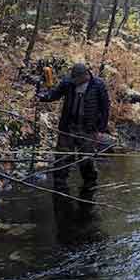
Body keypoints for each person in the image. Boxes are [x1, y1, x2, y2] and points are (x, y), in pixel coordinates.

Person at [37, 63, 110, 191]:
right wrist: (43, 97)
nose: (75, 81)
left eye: (77, 79)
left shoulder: (98, 85)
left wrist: (101, 130)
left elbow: (105, 108)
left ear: (86, 75)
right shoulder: (68, 83)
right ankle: (59, 185)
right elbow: (55, 95)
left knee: (86, 159)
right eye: (74, 78)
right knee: (62, 157)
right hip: (68, 126)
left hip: (88, 129)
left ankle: (89, 186)